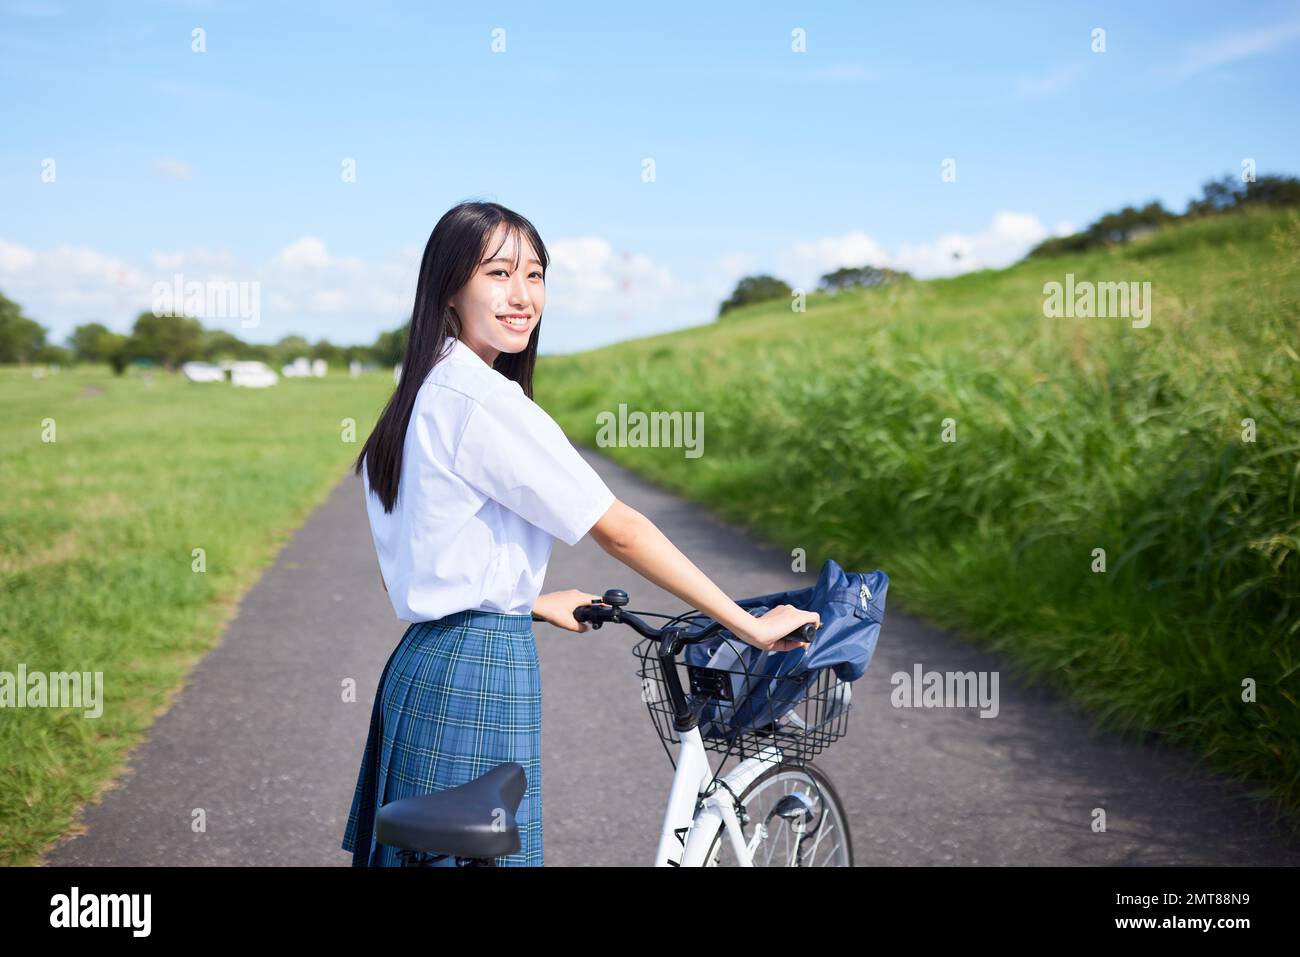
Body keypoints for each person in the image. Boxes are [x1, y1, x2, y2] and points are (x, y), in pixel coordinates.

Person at [341, 200, 820, 866]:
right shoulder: (485, 401)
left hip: (426, 663)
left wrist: (527, 600)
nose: (521, 295)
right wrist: (750, 624)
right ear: (449, 288)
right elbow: (619, 529)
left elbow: (435, 543)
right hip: (478, 672)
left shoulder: (424, 391)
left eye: (535, 275)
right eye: (498, 273)